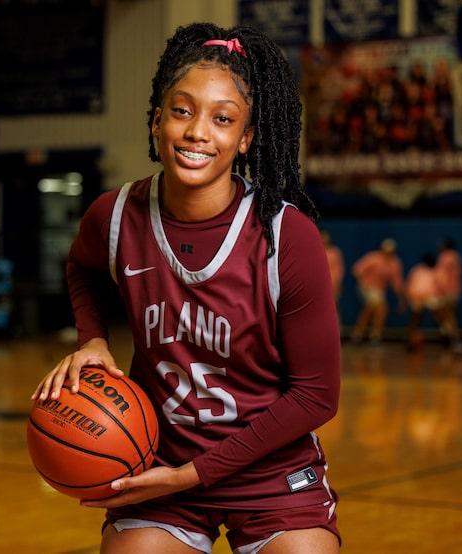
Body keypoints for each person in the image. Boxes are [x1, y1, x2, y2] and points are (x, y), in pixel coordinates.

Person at [32, 23, 342, 553]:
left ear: (245, 139)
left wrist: (194, 474)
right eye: (182, 110)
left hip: (269, 470)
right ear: (157, 121)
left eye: (223, 119)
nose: (199, 131)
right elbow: (81, 267)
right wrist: (93, 339)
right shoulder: (114, 216)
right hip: (158, 463)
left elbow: (316, 396)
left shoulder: (285, 236)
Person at [350, 238, 405, 345]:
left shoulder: (395, 263)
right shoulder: (373, 258)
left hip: (379, 291)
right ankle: (369, 334)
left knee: (375, 308)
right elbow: (357, 270)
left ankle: (362, 334)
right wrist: (364, 283)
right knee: (380, 307)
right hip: (367, 287)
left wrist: (401, 299)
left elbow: (397, 282)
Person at [405, 252, 442, 351]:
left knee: (438, 315)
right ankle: (411, 340)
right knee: (416, 318)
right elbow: (410, 284)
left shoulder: (435, 271)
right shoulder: (417, 270)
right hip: (417, 297)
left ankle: (446, 335)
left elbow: (439, 285)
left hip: (429, 297)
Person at [321, 229, 344, 304]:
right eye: (323, 237)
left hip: (334, 284)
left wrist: (339, 282)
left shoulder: (335, 251)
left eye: (326, 237)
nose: (325, 239)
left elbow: (340, 268)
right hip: (321, 284)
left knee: (334, 304)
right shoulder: (315, 251)